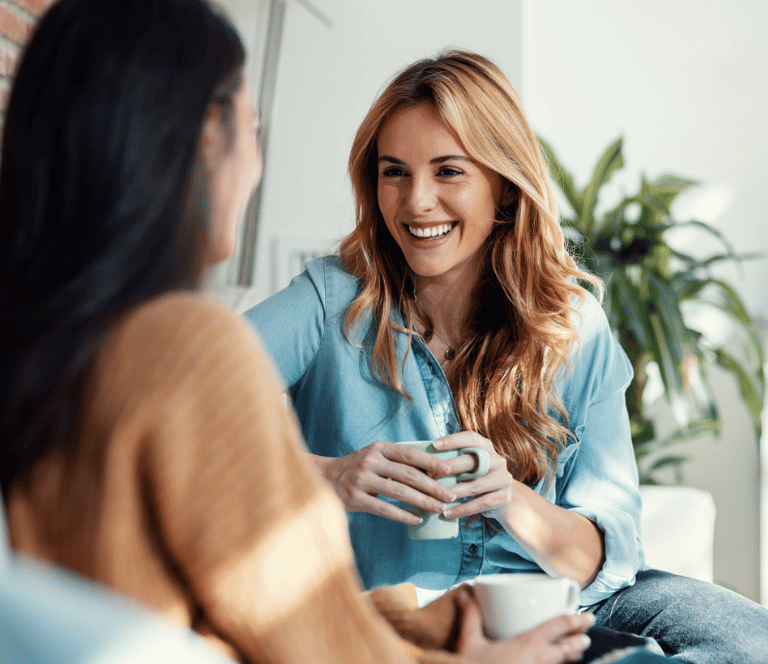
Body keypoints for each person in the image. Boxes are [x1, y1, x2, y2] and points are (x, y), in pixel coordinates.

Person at [0, 2, 607, 663]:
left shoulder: (50, 350)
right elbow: (311, 637)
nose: (416, 200)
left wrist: (426, 621)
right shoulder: (187, 345)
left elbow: (228, 599)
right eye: (254, 129)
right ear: (210, 136)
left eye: (448, 169)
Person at [244, 50, 768, 663]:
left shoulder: (572, 325)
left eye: (448, 171)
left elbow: (603, 557)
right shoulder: (333, 300)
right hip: (402, 615)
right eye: (395, 172)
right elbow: (180, 410)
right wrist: (328, 475)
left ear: (502, 185)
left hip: (557, 604)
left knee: (745, 640)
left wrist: (509, 498)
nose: (416, 202)